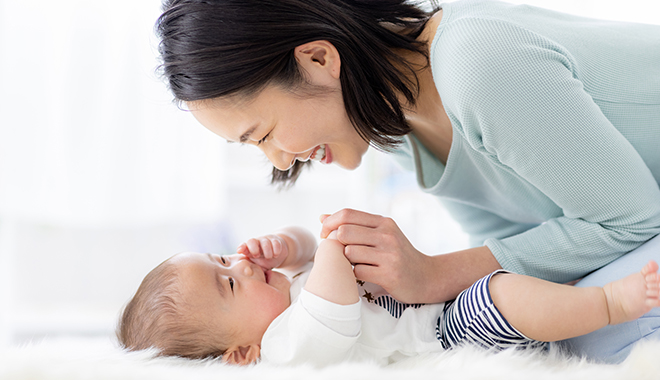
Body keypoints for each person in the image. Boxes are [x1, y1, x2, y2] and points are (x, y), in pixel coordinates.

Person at [154, 0, 660, 362]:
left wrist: (434, 275)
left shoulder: (477, 65)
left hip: (641, 213)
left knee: (594, 334)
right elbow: (499, 237)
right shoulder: (394, 123)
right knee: (540, 324)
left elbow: (633, 218)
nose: (281, 162)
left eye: (263, 134)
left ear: (318, 60)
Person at [117, 226, 660, 366]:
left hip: (435, 297)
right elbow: (334, 302)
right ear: (239, 353)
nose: (240, 261)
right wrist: (329, 242)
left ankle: (565, 296)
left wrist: (289, 245)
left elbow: (307, 255)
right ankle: (612, 304)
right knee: (503, 295)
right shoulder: (285, 346)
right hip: (443, 332)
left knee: (508, 280)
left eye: (222, 258)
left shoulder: (284, 298)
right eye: (229, 281)